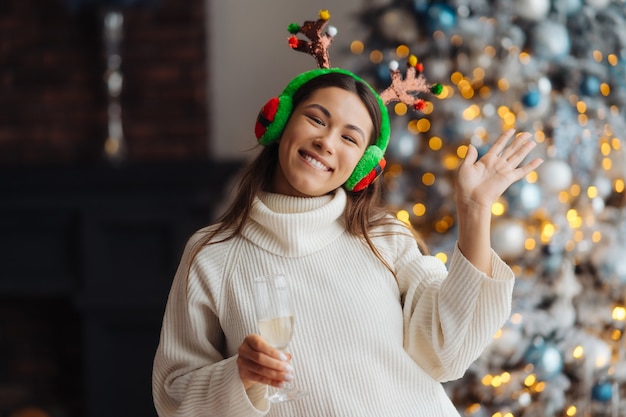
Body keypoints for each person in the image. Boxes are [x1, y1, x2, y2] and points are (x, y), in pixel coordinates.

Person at [152, 13, 543, 417]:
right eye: (316, 119)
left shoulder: (385, 238)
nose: (325, 142)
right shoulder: (211, 255)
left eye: (349, 138)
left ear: (363, 167)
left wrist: (475, 210)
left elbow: (448, 352)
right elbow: (173, 395)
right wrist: (240, 376)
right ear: (279, 121)